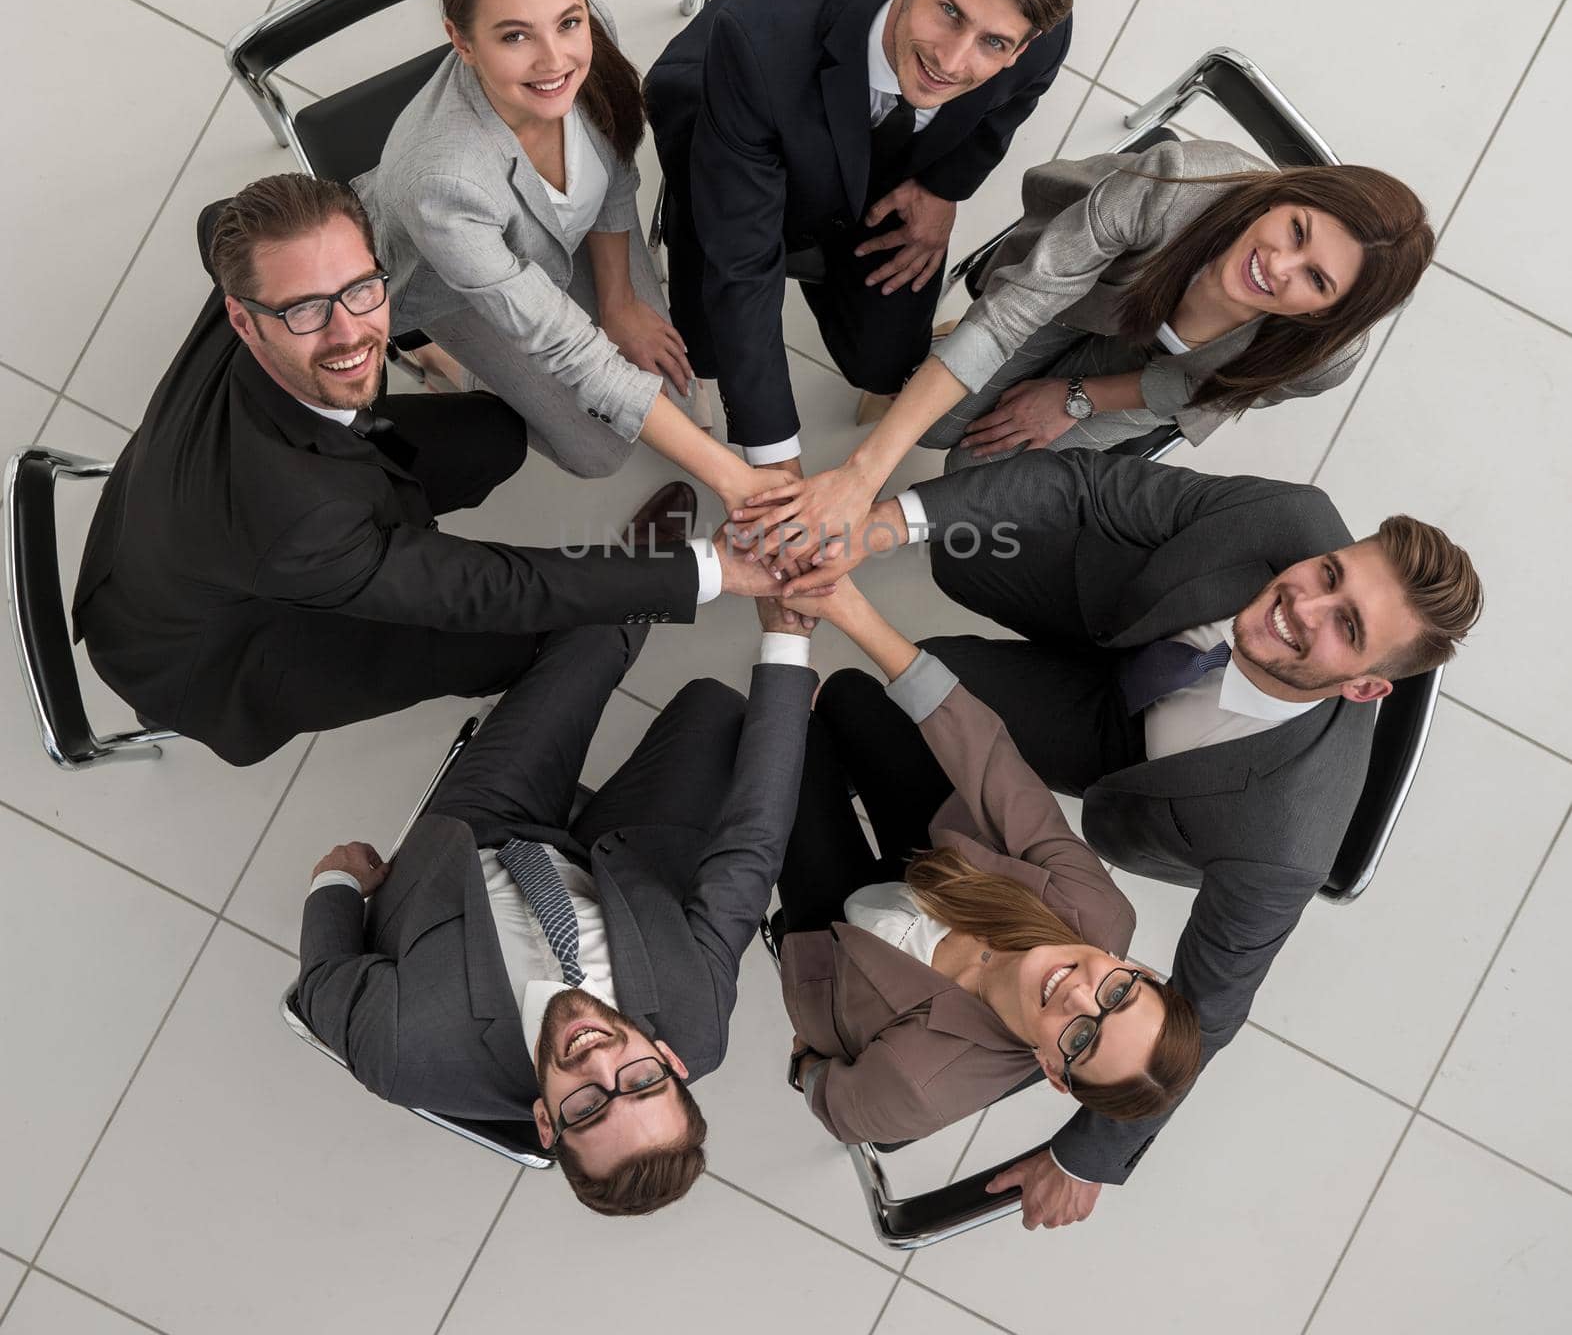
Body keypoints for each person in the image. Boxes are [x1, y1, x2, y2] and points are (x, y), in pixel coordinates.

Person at [778, 448, 1481, 1226]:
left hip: (1134, 767)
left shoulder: (1280, 844)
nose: (1303, 606)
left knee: (930, 700)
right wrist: (881, 526)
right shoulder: (1289, 520)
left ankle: (817, 772)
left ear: (1367, 688)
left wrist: (1086, 1155)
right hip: (1126, 624)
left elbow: (1204, 1017)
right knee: (954, 566)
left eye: (1346, 628)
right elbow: (1088, 486)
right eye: (1329, 575)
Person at [71, 173, 786, 768]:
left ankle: (405, 533)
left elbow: (212, 221)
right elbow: (495, 588)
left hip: (216, 499)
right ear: (244, 317)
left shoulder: (255, 256)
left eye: (360, 288)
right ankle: (544, 643)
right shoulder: (300, 525)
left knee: (495, 435)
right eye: (306, 312)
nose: (351, 333)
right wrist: (713, 569)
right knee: (503, 637)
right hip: (217, 646)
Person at [297, 601, 816, 1216]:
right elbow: (749, 854)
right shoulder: (697, 1024)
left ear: (546, 1122)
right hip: (615, 863)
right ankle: (656, 579)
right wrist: (786, 639)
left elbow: (325, 983)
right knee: (718, 711)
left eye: (588, 1108)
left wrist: (334, 881)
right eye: (644, 1081)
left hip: (477, 833)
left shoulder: (407, 1052)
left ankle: (640, 573)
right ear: (673, 1063)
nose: (599, 1062)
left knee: (592, 641)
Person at [735, 137, 1434, 555]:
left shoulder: (1322, 360)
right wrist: (862, 474)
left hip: (1153, 375)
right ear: (1285, 196)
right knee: (941, 417)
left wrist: (1078, 398)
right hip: (1078, 297)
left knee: (978, 472)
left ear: (1327, 315)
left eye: (1314, 278)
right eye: (1298, 229)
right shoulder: (1174, 186)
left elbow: (1203, 391)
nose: (1278, 266)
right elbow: (1016, 315)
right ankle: (943, 373)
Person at [357, 0, 786, 508]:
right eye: (514, 36)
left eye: (566, 22)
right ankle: (434, 356)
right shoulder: (442, 184)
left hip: (566, 233)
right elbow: (563, 345)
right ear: (462, 41)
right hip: (459, 285)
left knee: (672, 388)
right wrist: (733, 479)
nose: (555, 60)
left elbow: (612, 167)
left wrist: (617, 302)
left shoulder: (594, 33)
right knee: (598, 452)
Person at [645, 0, 1073, 477]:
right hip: (724, 140)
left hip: (886, 183)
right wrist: (774, 459)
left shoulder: (1043, 39)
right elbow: (742, 263)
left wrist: (943, 187)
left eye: (992, 43)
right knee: (708, 343)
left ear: (1020, 46)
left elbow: (1010, 103)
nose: (951, 62)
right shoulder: (757, 41)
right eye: (949, 11)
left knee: (886, 365)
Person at [775, 578, 1200, 1147]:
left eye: (1081, 1041)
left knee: (779, 741)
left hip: (839, 945)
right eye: (1120, 994)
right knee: (852, 694)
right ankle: (821, 753)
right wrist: (849, 609)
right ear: (1140, 970)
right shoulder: (1098, 912)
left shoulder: (919, 1084)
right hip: (940, 863)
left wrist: (808, 1068)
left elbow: (840, 1109)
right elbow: (995, 766)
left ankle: (805, 756)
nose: (1079, 995)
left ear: (1053, 1071)